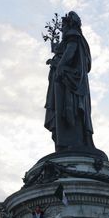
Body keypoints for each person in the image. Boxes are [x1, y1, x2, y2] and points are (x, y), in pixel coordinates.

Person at [44, 11, 95, 151]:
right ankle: (70, 141)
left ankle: (69, 142)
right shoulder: (74, 38)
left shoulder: (73, 35)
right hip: (68, 80)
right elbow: (67, 51)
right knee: (70, 112)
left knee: (68, 110)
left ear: (69, 23)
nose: (62, 29)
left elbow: (70, 52)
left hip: (69, 82)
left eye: (63, 25)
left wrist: (59, 65)